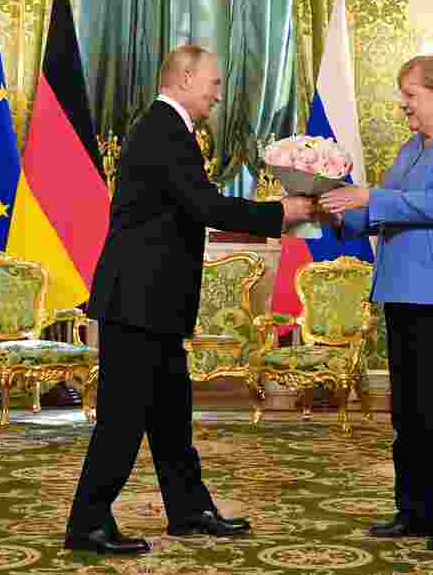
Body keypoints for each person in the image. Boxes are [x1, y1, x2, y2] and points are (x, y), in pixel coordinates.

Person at [65, 45, 316, 555]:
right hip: (136, 305)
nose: (218, 94)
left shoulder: (167, 129)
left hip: (151, 305)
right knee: (122, 419)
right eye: (214, 83)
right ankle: (87, 523)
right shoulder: (164, 130)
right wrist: (280, 212)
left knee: (170, 416)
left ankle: (188, 509)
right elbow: (204, 205)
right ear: (184, 76)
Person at [318, 52, 433, 551]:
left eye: (410, 96)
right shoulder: (411, 148)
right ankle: (416, 512)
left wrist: (367, 198)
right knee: (411, 414)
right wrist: (331, 208)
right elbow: (383, 211)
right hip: (405, 293)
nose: (403, 106)